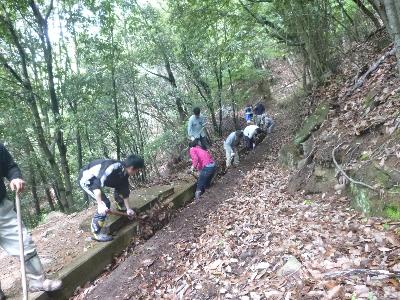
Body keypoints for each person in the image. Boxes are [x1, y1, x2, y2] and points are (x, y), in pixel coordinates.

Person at [0, 144, 62, 298]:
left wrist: (15, 177)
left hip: (2, 209)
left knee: (24, 242)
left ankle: (38, 281)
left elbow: (9, 166)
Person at [78, 155, 144, 242]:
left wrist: (128, 209)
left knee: (121, 185)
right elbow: (96, 186)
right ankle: (96, 232)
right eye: (138, 170)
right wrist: (101, 205)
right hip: (88, 180)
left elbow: (124, 190)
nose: (137, 172)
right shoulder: (111, 168)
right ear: (132, 168)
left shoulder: (124, 172)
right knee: (105, 203)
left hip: (101, 180)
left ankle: (121, 206)